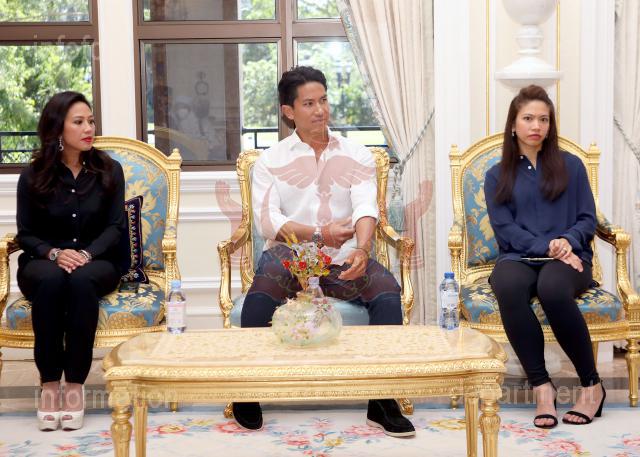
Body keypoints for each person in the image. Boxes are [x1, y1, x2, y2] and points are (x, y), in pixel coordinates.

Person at [232, 66, 415, 438]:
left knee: (386, 291)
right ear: (289, 111)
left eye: (324, 100)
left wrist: (362, 248)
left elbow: (366, 206)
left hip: (342, 258)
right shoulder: (271, 161)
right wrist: (319, 234)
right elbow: (268, 222)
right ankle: (246, 390)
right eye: (309, 103)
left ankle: (382, 400)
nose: (320, 110)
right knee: (262, 292)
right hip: (291, 256)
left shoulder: (355, 154)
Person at [484, 85, 606, 428]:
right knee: (507, 285)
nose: (536, 125)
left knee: (552, 288)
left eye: (543, 119)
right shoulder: (497, 175)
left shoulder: (572, 166)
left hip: (569, 257)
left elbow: (587, 218)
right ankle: (542, 387)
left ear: (551, 125)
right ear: (513, 124)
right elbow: (504, 228)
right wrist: (548, 246)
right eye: (528, 118)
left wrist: (566, 241)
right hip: (519, 256)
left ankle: (591, 385)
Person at [17, 91, 126, 431]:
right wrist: (54, 253)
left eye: (91, 121)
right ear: (57, 128)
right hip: (44, 259)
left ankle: (75, 385)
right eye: (79, 122)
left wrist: (86, 254)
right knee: (51, 280)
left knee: (80, 280)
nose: (88, 128)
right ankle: (50, 385)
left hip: (98, 259)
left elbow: (116, 227)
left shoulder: (110, 170)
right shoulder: (33, 175)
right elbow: (26, 234)